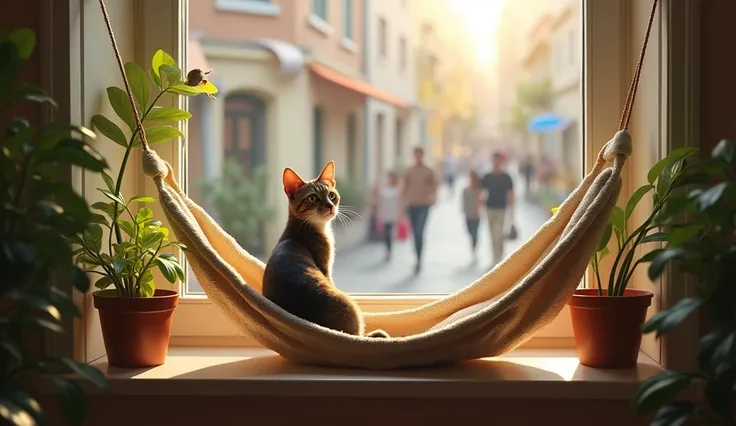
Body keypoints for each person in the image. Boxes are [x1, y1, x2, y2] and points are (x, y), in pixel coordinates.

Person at [402, 146, 439, 274]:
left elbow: (435, 185)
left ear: (422, 155)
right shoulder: (409, 171)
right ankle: (417, 257)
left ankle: (419, 258)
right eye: (415, 155)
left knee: (419, 231)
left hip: (424, 204)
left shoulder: (428, 171)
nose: (418, 157)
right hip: (412, 204)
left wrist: (434, 197)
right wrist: (402, 204)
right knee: (414, 233)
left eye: (419, 154)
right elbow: (404, 187)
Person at [481, 152, 515, 266]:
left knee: (498, 234)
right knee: (492, 234)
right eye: (494, 160)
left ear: (501, 162)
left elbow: (511, 194)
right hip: (490, 208)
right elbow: (481, 192)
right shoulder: (487, 177)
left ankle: (499, 256)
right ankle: (495, 256)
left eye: (498, 160)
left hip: (502, 208)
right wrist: (479, 207)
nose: (496, 163)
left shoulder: (506, 177)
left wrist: (512, 209)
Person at [378, 171, 402, 262]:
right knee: (387, 233)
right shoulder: (384, 188)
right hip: (386, 212)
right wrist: (379, 213)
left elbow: (400, 201)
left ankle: (389, 251)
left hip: (394, 212)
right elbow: (381, 201)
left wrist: (400, 213)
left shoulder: (398, 188)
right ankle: (388, 251)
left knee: (390, 232)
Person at [462, 170, 484, 265]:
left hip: (476, 215)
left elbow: (481, 202)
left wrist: (479, 212)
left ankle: (474, 250)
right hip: (468, 215)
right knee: (470, 232)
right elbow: (463, 201)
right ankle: (473, 247)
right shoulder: (465, 190)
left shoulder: (479, 189)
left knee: (474, 234)